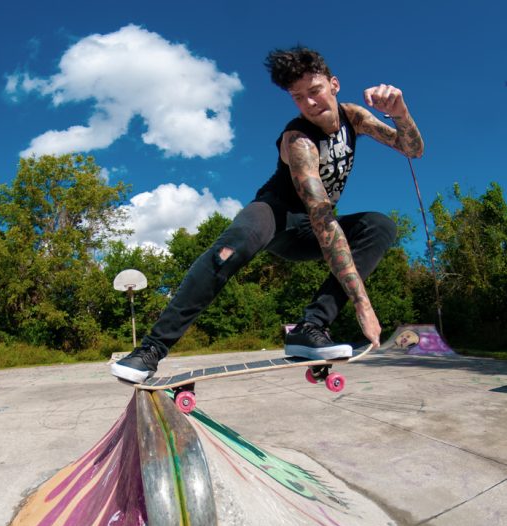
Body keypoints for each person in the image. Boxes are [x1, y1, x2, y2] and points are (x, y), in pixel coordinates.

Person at [112, 46, 424, 383]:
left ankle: (310, 327)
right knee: (230, 248)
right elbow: (322, 217)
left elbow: (412, 149)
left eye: (315, 91)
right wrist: (362, 304)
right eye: (298, 97)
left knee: (379, 225)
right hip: (277, 215)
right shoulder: (298, 140)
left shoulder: (355, 117)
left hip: (309, 230)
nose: (310, 103)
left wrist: (401, 113)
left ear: (334, 84)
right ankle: (151, 350)